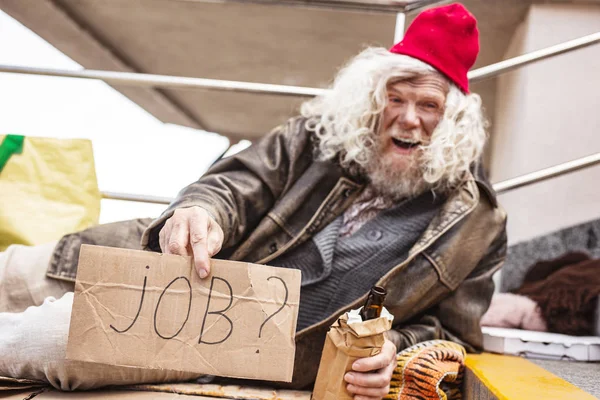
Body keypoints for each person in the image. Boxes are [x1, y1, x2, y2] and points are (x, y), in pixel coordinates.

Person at [0, 3, 506, 399]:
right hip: (156, 258)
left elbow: (454, 334)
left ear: (453, 119)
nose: (409, 119)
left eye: (428, 105)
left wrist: (396, 348)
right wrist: (199, 212)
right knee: (10, 274)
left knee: (40, 340)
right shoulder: (316, 137)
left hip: (215, 333)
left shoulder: (480, 224)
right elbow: (234, 185)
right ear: (375, 99)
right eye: (396, 97)